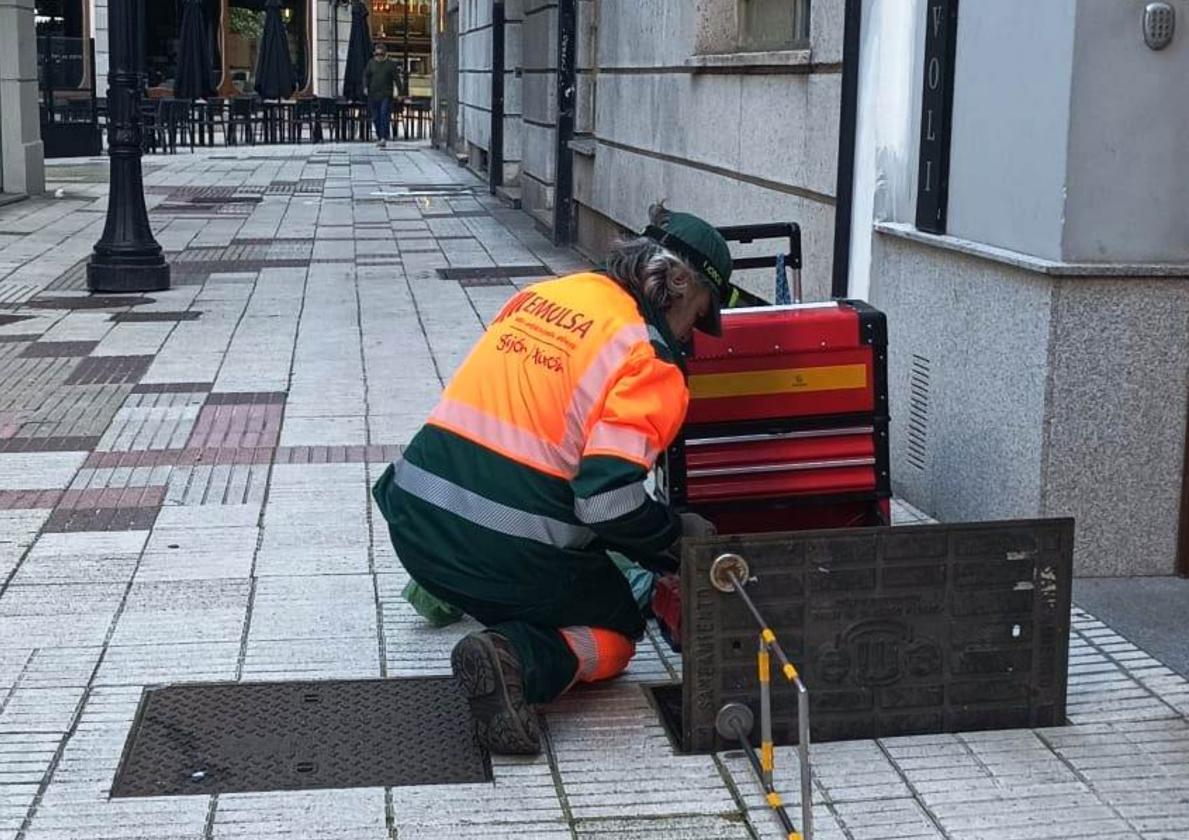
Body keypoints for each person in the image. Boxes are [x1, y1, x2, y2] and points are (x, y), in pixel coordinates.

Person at [371, 204, 739, 755]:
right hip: (493, 548)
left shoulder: (548, 294)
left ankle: (477, 596)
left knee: (530, 547)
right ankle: (516, 659)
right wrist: (673, 539)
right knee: (616, 627)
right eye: (697, 319)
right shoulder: (651, 359)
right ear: (681, 289)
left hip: (414, 520)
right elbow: (606, 504)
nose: (689, 337)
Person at [363, 44, 400, 148]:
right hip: (373, 94)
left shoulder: (390, 65)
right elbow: (366, 75)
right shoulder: (371, 63)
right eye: (377, 54)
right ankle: (380, 136)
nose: (379, 56)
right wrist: (365, 87)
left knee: (384, 115)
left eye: (381, 54)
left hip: (386, 94)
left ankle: (383, 137)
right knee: (376, 116)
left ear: (385, 54)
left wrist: (401, 93)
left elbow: (397, 79)